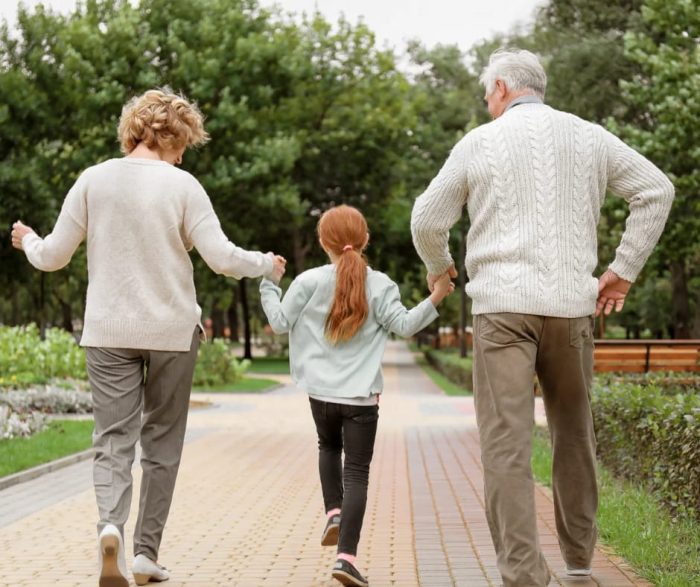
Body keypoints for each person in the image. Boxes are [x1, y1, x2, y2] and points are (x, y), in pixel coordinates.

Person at [410, 49, 674, 586]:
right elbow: (656, 190)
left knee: (505, 443)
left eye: (488, 95)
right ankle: (579, 566)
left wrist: (440, 269)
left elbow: (426, 219)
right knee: (573, 435)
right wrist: (622, 270)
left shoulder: (479, 143)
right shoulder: (590, 136)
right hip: (572, 309)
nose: (488, 106)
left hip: (501, 311)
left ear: (503, 87)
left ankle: (525, 576)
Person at [11, 88, 286, 587]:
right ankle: (144, 554)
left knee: (113, 440)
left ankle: (109, 527)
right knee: (161, 443)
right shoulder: (183, 187)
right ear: (172, 137)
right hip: (172, 333)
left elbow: (52, 256)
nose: (184, 155)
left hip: (108, 331)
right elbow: (222, 259)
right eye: (184, 144)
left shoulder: (93, 180)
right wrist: (267, 264)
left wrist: (27, 238)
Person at [259, 204, 453, 587]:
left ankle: (333, 511)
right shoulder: (380, 284)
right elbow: (405, 326)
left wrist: (269, 282)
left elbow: (279, 323)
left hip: (321, 395)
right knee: (358, 474)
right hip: (361, 399)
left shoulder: (308, 281)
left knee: (327, 448)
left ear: (322, 242)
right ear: (364, 239)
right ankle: (345, 558)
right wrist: (438, 295)